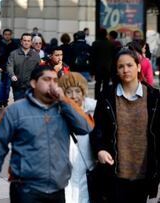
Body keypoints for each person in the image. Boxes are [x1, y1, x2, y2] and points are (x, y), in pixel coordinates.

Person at [0, 66, 93, 203]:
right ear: (34, 83)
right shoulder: (16, 111)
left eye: (55, 80)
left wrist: (64, 100)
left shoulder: (63, 108)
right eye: (47, 80)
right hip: (25, 189)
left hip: (57, 188)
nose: (52, 84)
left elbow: (86, 128)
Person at [90, 48, 160, 203]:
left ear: (139, 67)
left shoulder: (154, 97)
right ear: (116, 70)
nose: (125, 70)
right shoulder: (106, 96)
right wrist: (100, 149)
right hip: (115, 173)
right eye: (120, 67)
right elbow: (97, 129)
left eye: (129, 65)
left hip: (144, 173)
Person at [58, 72, 96, 203]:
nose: (74, 96)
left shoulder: (93, 111)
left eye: (77, 91)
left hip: (88, 168)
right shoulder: (58, 112)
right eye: (69, 92)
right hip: (66, 170)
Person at [7, 33, 40, 100]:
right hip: (17, 85)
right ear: (21, 42)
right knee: (18, 105)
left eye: (28, 41)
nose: (26, 43)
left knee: (30, 106)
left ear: (31, 43)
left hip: (30, 86)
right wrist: (12, 75)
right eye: (24, 40)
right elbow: (9, 66)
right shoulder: (14, 54)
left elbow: (39, 69)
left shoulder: (35, 55)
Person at [91, 28, 114, 99]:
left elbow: (92, 58)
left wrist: (92, 71)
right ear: (106, 34)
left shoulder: (95, 44)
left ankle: (97, 98)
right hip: (108, 67)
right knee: (106, 84)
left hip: (98, 67)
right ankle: (105, 98)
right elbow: (113, 57)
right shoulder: (110, 44)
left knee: (98, 83)